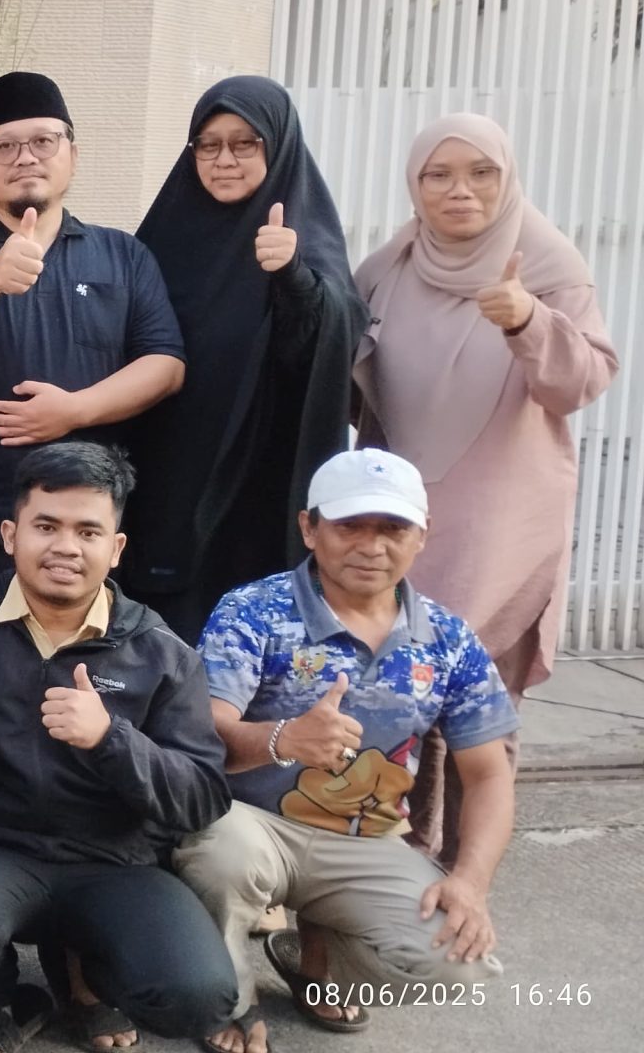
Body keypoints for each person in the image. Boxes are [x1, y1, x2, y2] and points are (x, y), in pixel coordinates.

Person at [0, 443, 236, 1053]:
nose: (66, 547)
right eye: (46, 526)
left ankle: (88, 977)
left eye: (88, 531)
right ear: (11, 535)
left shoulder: (162, 653)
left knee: (197, 997)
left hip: (115, 862)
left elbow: (203, 796)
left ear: (116, 548)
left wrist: (112, 739)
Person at [174, 449, 512, 1053]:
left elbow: (488, 774)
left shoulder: (448, 639)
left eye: (392, 528)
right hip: (248, 823)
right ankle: (228, 997)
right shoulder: (254, 610)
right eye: (349, 525)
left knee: (458, 963)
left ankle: (317, 963)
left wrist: (470, 881)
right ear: (310, 528)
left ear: (421, 536)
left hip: (366, 841)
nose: (371, 546)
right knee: (221, 859)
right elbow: (201, 733)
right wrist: (282, 739)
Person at [352, 114, 617, 857]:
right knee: (400, 680)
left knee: (476, 684)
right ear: (415, 184)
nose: (459, 190)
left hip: (504, 510)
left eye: (481, 173)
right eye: (438, 175)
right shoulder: (387, 268)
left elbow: (581, 382)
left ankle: (468, 868)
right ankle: (405, 859)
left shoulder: (549, 264)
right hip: (404, 510)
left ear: (507, 179)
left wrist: (529, 319)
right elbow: (349, 379)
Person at [0, 72, 185, 601]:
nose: (25, 158)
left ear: (72, 155)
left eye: (43, 141)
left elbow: (166, 365)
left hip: (85, 528)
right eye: (4, 146)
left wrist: (74, 411)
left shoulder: (123, 255)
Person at [126, 75, 367, 642]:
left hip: (259, 476)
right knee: (162, 636)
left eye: (244, 143)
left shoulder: (305, 236)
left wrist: (292, 275)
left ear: (276, 146)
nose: (224, 160)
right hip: (168, 470)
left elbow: (332, 337)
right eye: (208, 145)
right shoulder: (164, 234)